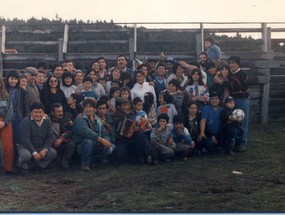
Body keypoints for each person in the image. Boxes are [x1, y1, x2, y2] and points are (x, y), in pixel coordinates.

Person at [73, 98, 114, 171]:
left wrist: (106, 141)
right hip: (81, 145)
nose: (88, 109)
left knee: (111, 148)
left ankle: (92, 160)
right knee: (88, 141)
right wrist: (101, 140)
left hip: (96, 144)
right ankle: (84, 164)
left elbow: (104, 133)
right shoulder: (79, 118)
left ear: (94, 109)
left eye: (90, 107)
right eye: (86, 107)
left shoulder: (98, 119)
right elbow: (86, 132)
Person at [18, 102, 57, 171]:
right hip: (25, 146)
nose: (38, 114)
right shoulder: (25, 121)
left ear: (43, 112)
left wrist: (45, 149)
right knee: (26, 155)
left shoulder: (47, 120)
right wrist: (34, 152)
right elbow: (25, 139)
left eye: (40, 112)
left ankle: (37, 165)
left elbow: (50, 137)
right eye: (35, 112)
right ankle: (22, 166)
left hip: (40, 146)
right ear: (30, 113)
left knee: (53, 153)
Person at [5, 69, 29, 170]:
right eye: (11, 79)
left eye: (15, 79)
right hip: (6, 115)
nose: (13, 81)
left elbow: (26, 107)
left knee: (17, 139)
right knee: (8, 140)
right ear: (7, 79)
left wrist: (24, 119)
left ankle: (18, 160)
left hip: (17, 116)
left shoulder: (22, 91)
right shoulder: (4, 90)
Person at [110, 98, 147, 162]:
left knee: (140, 135)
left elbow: (134, 125)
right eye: (124, 105)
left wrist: (136, 128)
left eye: (127, 105)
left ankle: (141, 156)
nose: (126, 107)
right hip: (119, 139)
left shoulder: (130, 114)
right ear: (118, 106)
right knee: (121, 155)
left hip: (131, 138)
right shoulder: (112, 116)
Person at [228, 56, 249, 151]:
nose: (231, 64)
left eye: (233, 62)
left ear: (238, 63)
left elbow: (242, 88)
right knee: (233, 120)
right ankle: (235, 141)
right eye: (230, 62)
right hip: (232, 100)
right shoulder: (229, 74)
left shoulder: (243, 74)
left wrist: (230, 79)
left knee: (243, 120)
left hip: (242, 99)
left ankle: (243, 142)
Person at [50, 103, 76, 168]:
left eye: (61, 111)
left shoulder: (66, 120)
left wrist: (62, 139)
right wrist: (54, 142)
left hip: (62, 143)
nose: (61, 113)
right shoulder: (47, 120)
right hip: (50, 144)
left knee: (71, 144)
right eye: (58, 112)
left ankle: (65, 161)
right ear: (53, 113)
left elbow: (70, 132)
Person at [0, 77, 14, 173]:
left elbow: (10, 110)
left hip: (5, 122)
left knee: (8, 147)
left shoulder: (7, 96)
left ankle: (8, 168)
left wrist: (4, 122)